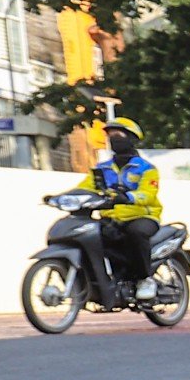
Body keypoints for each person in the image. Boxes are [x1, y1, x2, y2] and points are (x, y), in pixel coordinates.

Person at [70, 118, 162, 300]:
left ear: (132, 138)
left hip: (142, 216)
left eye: (119, 135)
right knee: (92, 238)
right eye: (110, 135)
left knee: (136, 234)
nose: (114, 139)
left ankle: (145, 279)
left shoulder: (146, 169)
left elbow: (148, 194)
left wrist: (128, 197)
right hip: (111, 218)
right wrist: (65, 197)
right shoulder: (101, 169)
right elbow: (85, 188)